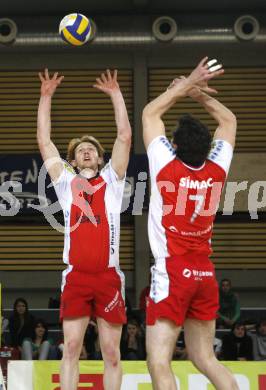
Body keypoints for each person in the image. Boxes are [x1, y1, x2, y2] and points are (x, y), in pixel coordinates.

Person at [142, 57, 239, 390]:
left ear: (176, 146)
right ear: (208, 147)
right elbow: (229, 120)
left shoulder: (165, 165)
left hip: (173, 272)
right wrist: (200, 94)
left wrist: (183, 87)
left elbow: (150, 113)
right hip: (204, 273)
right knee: (205, 359)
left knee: (158, 360)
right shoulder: (217, 170)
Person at [37, 68, 131, 390]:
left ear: (100, 158)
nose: (86, 151)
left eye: (91, 149)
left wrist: (116, 93)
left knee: (112, 354)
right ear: (74, 162)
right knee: (72, 350)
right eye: (80, 151)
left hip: (108, 276)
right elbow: (44, 141)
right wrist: (46, 96)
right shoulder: (66, 182)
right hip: (76, 276)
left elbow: (124, 137)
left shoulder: (112, 181)